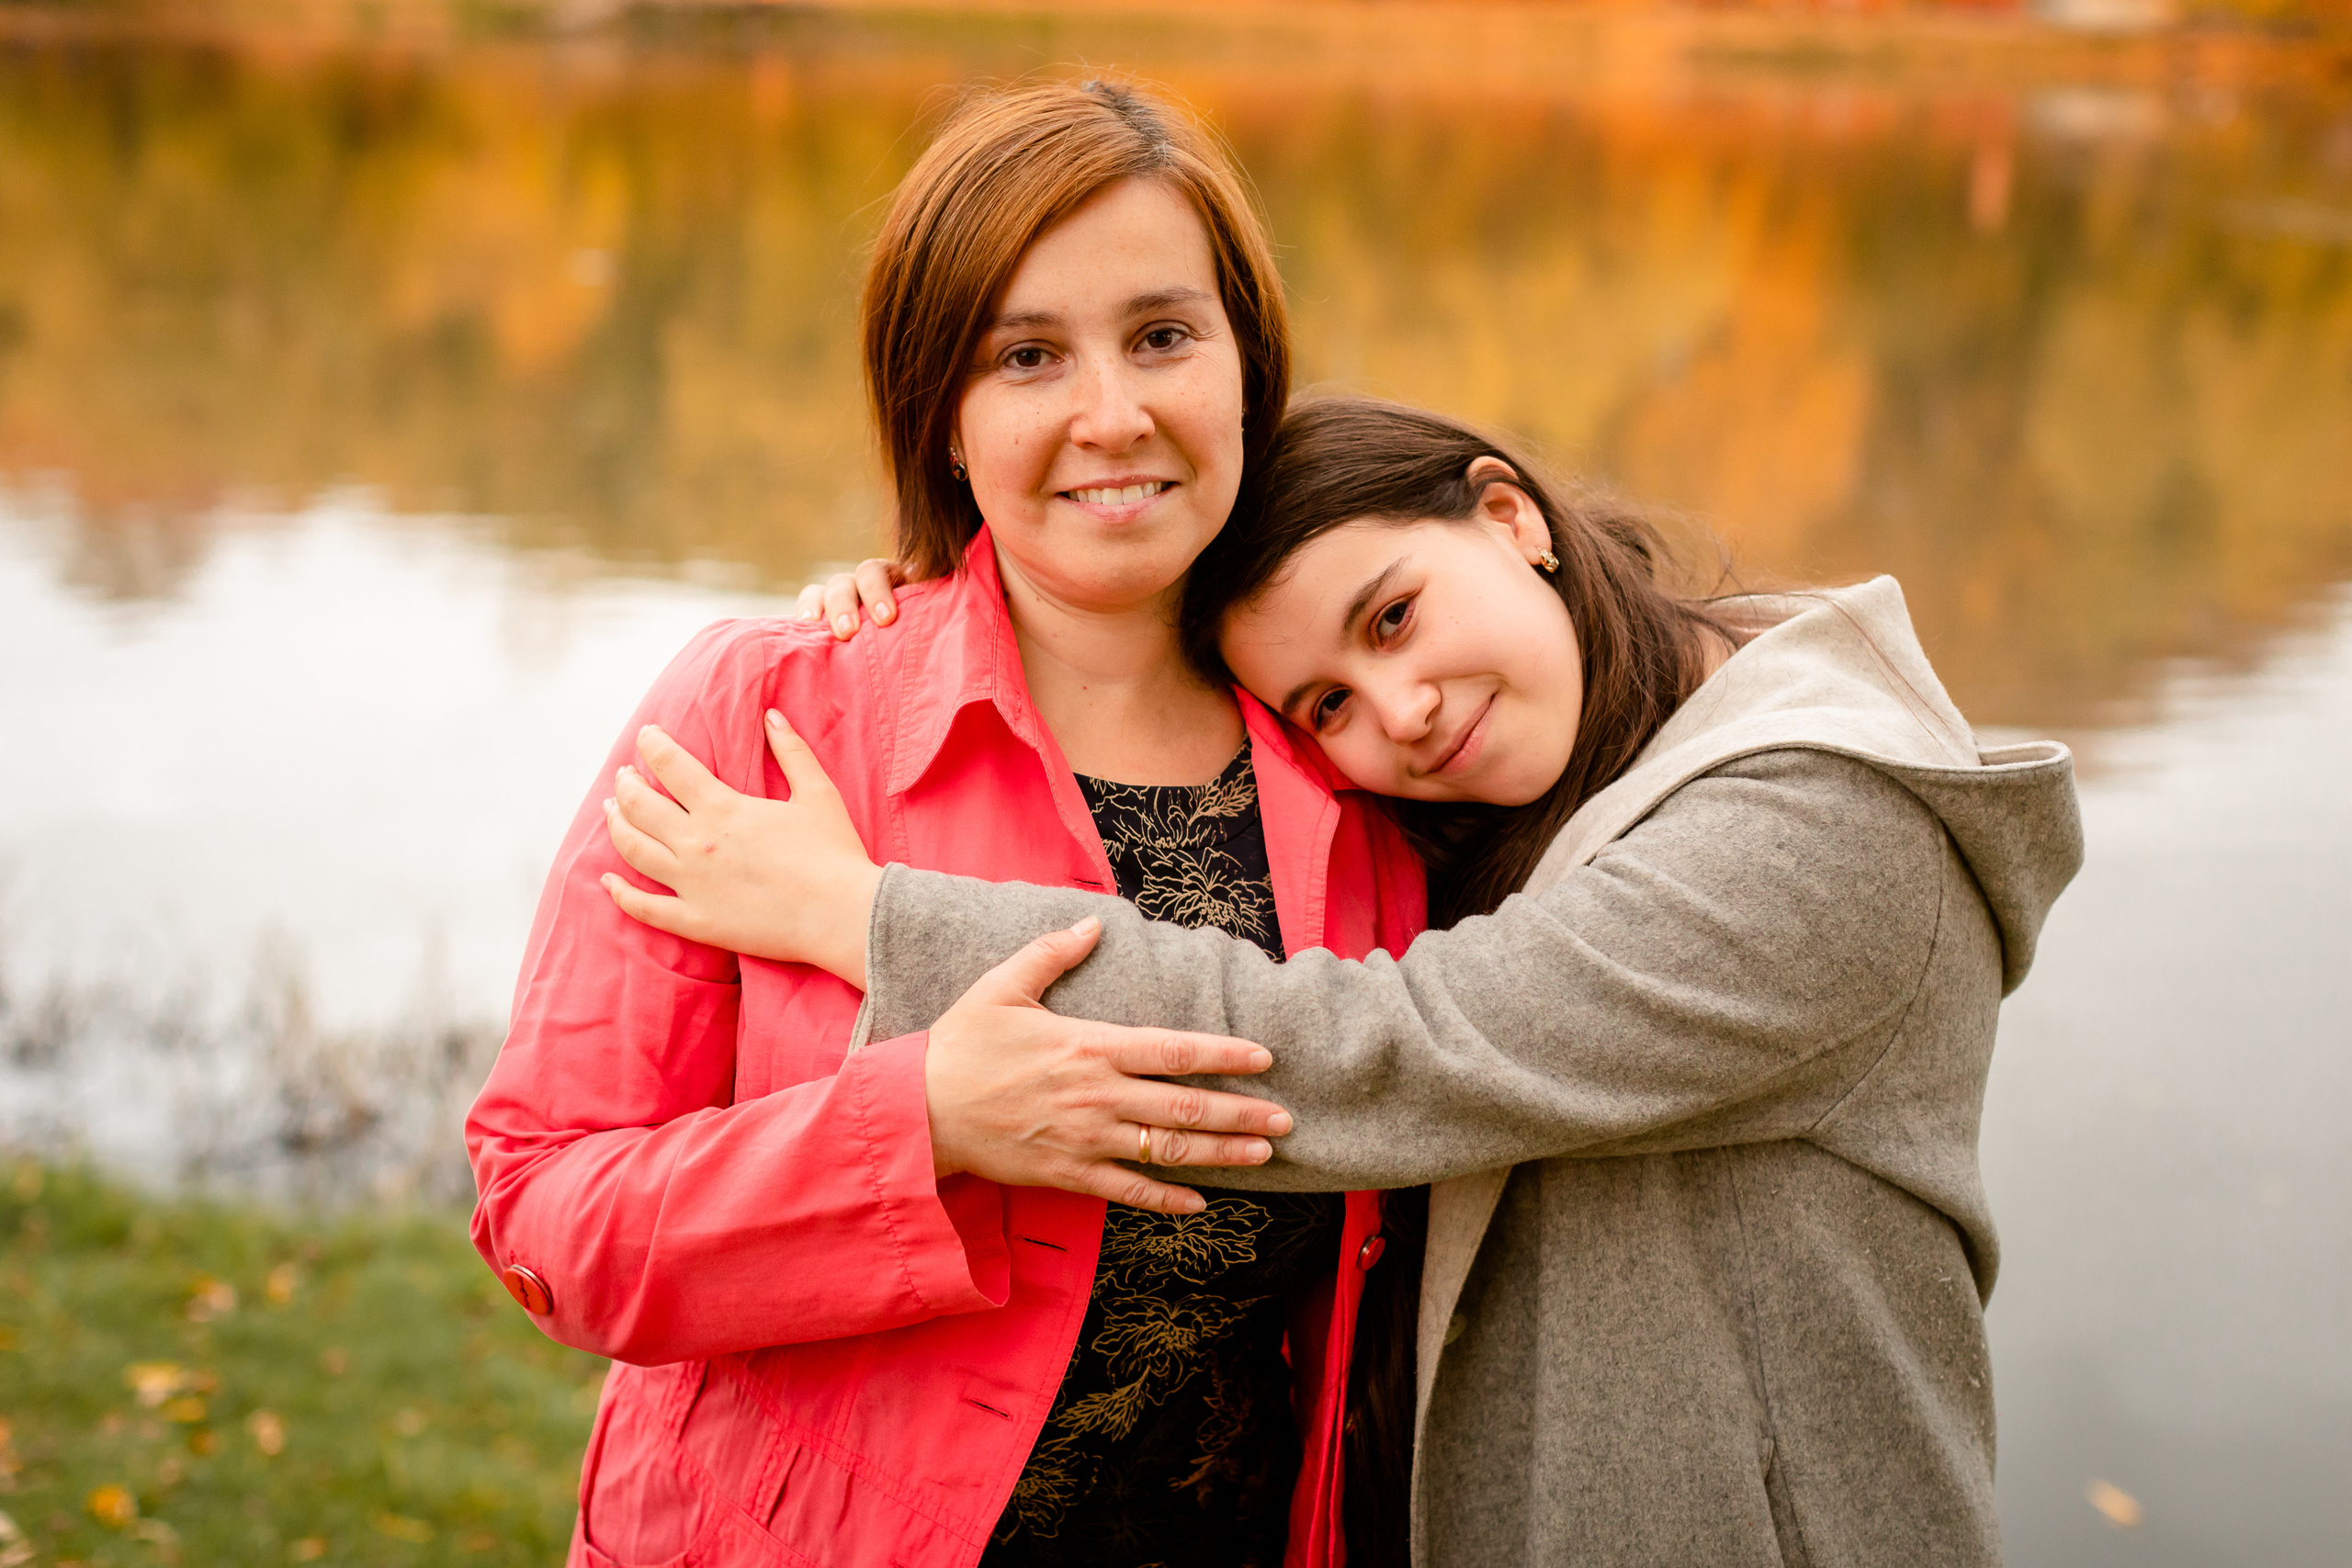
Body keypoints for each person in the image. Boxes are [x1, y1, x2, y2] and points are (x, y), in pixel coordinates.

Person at [599, 396, 2086, 1567]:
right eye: (1327, 705)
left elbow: (1389, 1047)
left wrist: (864, 916)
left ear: (1510, 517)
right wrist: (953, 606)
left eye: (1392, 618)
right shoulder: (1547, 778)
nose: (1405, 710)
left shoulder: (1827, 825)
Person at [467, 86, 1429, 1568]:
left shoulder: (1368, 759)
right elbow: (548, 1219)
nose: (1112, 414)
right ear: (943, 411)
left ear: (1247, 367)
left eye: (1164, 336)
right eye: (1027, 356)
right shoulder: (772, 716)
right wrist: (919, 1124)